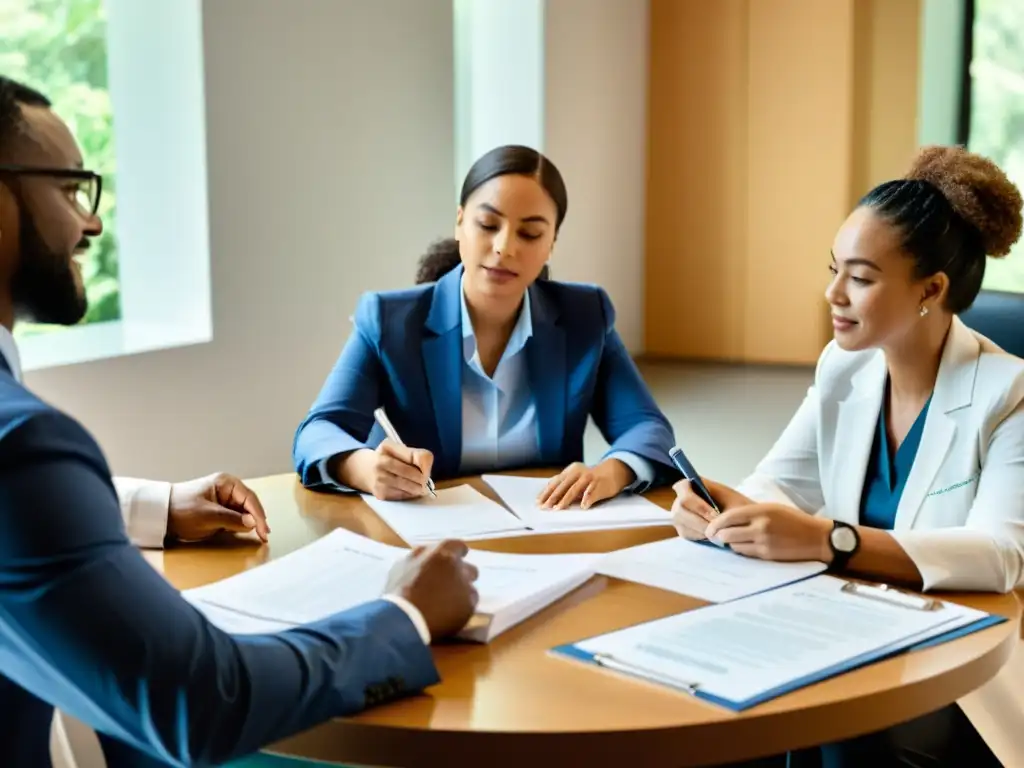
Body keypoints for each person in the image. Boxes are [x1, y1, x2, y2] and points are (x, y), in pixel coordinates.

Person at [0, 75, 479, 766]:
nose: (92, 222)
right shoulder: (25, 446)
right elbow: (203, 702)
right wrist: (403, 614)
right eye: (71, 189)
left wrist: (152, 506)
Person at [672, 145, 1018, 766]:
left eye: (860, 278)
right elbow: (777, 482)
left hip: (958, 666)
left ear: (931, 289)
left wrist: (834, 539)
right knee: (715, 692)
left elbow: (1000, 557)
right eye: (834, 268)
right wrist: (720, 508)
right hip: (843, 626)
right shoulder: (846, 367)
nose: (832, 292)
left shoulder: (1007, 394)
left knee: (834, 725)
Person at [294, 144, 679, 509]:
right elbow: (318, 430)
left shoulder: (586, 315)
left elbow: (646, 427)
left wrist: (611, 473)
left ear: (552, 244)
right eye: (487, 224)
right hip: (426, 539)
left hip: (545, 535)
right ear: (460, 223)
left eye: (530, 233)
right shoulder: (388, 319)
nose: (505, 247)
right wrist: (363, 468)